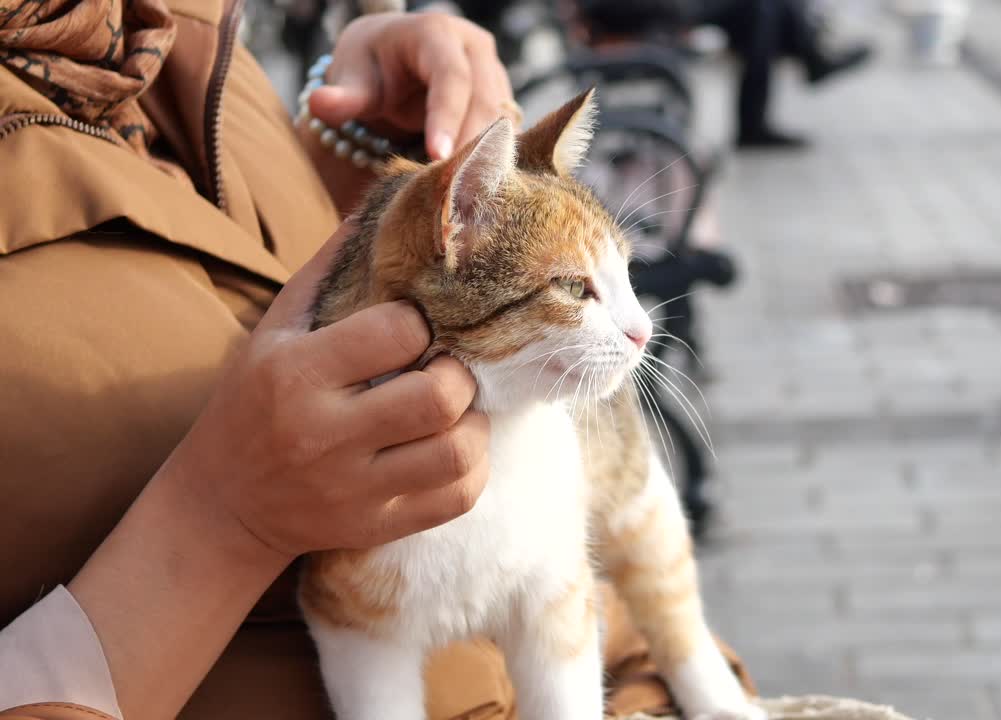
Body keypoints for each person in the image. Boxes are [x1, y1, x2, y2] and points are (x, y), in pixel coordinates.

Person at [0, 0, 751, 718]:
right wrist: (225, 521)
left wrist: (354, 155)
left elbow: (260, 275)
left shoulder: (165, 24)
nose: (643, 328)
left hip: (617, 670)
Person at [576, 0, 873, 149]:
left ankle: (808, 54)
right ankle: (810, 55)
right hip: (628, 9)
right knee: (759, 10)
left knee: (761, 12)